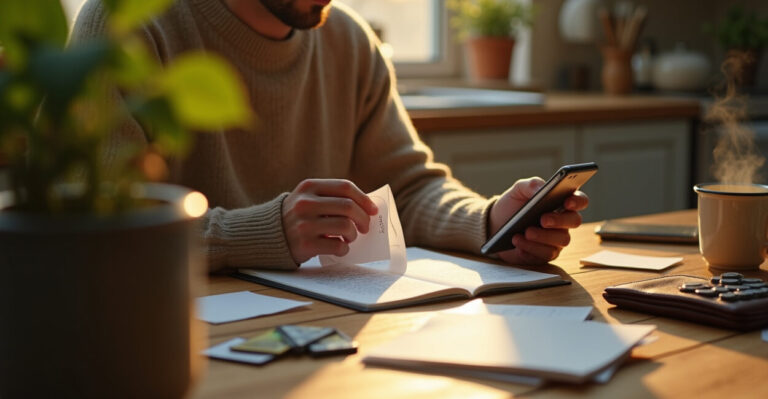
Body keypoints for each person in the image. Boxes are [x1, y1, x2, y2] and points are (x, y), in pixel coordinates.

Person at [71, 0, 589, 272]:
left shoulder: (349, 40)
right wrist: (265, 232)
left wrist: (489, 221)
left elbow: (406, 188)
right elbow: (99, 226)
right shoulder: (126, 26)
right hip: (172, 329)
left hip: (320, 328)